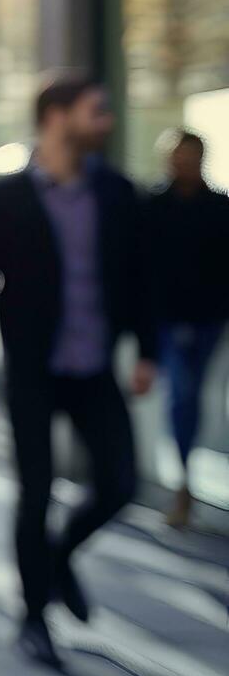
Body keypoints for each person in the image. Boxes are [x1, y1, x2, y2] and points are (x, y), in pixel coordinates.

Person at [0, 74, 156, 668]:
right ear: (57, 116)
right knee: (36, 492)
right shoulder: (2, 199)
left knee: (121, 483)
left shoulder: (118, 192)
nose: (107, 121)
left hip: (94, 365)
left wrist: (146, 350)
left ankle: (60, 555)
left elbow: (139, 279)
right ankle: (34, 617)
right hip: (32, 369)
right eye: (96, 111)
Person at [145, 129, 229, 528]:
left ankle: (186, 474)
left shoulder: (219, 208)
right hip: (167, 321)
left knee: (192, 398)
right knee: (181, 396)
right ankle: (183, 481)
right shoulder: (153, 207)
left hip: (208, 321)